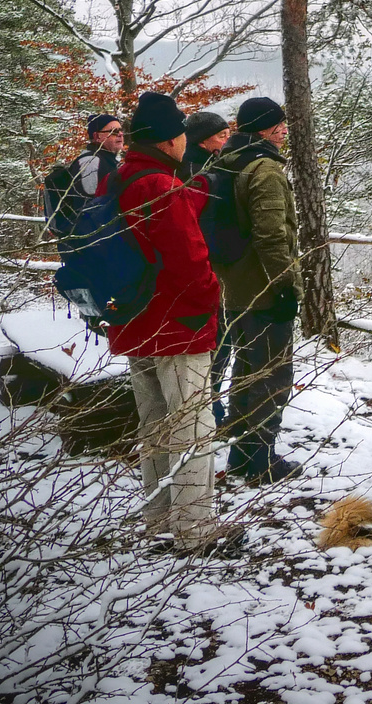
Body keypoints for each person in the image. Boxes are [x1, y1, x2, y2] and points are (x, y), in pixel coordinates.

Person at [105, 91, 243, 557]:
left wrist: (196, 193)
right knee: (192, 425)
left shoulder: (124, 177)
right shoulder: (159, 186)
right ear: (169, 141)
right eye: (182, 133)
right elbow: (188, 259)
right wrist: (211, 301)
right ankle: (194, 527)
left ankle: (159, 516)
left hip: (135, 319)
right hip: (176, 324)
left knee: (155, 424)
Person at [211, 96, 304, 484]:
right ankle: (260, 461)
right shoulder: (264, 168)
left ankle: (241, 455)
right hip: (263, 289)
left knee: (246, 372)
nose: (284, 130)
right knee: (273, 376)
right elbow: (271, 234)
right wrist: (284, 286)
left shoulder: (228, 162)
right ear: (265, 128)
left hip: (235, 287)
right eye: (279, 124)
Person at [182, 110, 235, 424]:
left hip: (204, 265)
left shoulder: (192, 166)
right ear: (203, 140)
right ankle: (210, 408)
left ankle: (208, 406)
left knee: (215, 338)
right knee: (217, 339)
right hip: (207, 267)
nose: (226, 140)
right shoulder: (199, 172)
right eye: (221, 135)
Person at [182, 111, 230, 179]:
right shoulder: (197, 175)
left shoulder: (218, 163)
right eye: (222, 136)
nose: (228, 139)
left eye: (229, 135)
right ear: (202, 143)